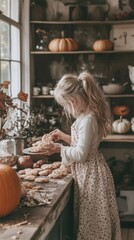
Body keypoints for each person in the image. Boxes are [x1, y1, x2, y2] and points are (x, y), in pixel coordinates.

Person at [44, 72, 122, 240]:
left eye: (65, 105)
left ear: (73, 101)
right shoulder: (87, 116)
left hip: (90, 175)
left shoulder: (87, 120)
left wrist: (59, 149)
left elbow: (81, 154)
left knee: (92, 222)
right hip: (90, 171)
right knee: (91, 219)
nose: (65, 109)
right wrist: (65, 138)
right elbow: (85, 143)